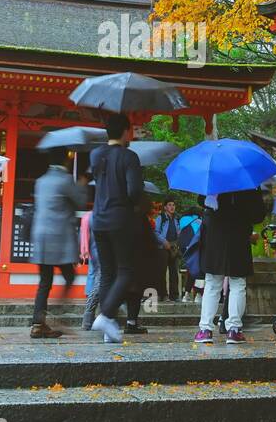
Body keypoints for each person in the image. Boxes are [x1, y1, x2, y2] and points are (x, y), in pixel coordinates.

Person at [88, 113, 144, 344]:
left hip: (98, 219)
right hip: (119, 219)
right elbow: (133, 192)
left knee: (108, 273)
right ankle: (107, 315)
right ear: (125, 131)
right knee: (127, 271)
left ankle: (108, 329)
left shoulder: (95, 154)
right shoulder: (129, 157)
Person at [195, 187, 267, 344]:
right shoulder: (248, 182)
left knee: (213, 282)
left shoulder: (213, 177)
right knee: (238, 282)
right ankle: (233, 329)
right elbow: (258, 214)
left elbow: (201, 200)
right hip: (238, 233)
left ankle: (205, 329)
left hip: (215, 233)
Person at [29, 150, 88, 338]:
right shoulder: (65, 180)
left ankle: (38, 324)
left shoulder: (41, 181)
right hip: (59, 238)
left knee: (44, 282)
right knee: (70, 276)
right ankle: (55, 313)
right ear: (65, 160)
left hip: (41, 236)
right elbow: (80, 202)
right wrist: (82, 185)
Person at [153, 199, 180, 301]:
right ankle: (163, 294)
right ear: (165, 207)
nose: (172, 207)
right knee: (162, 271)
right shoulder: (161, 218)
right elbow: (155, 232)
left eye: (173, 205)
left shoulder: (176, 219)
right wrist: (164, 242)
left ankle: (175, 295)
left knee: (174, 272)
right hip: (162, 248)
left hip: (173, 248)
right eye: (169, 205)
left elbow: (178, 233)